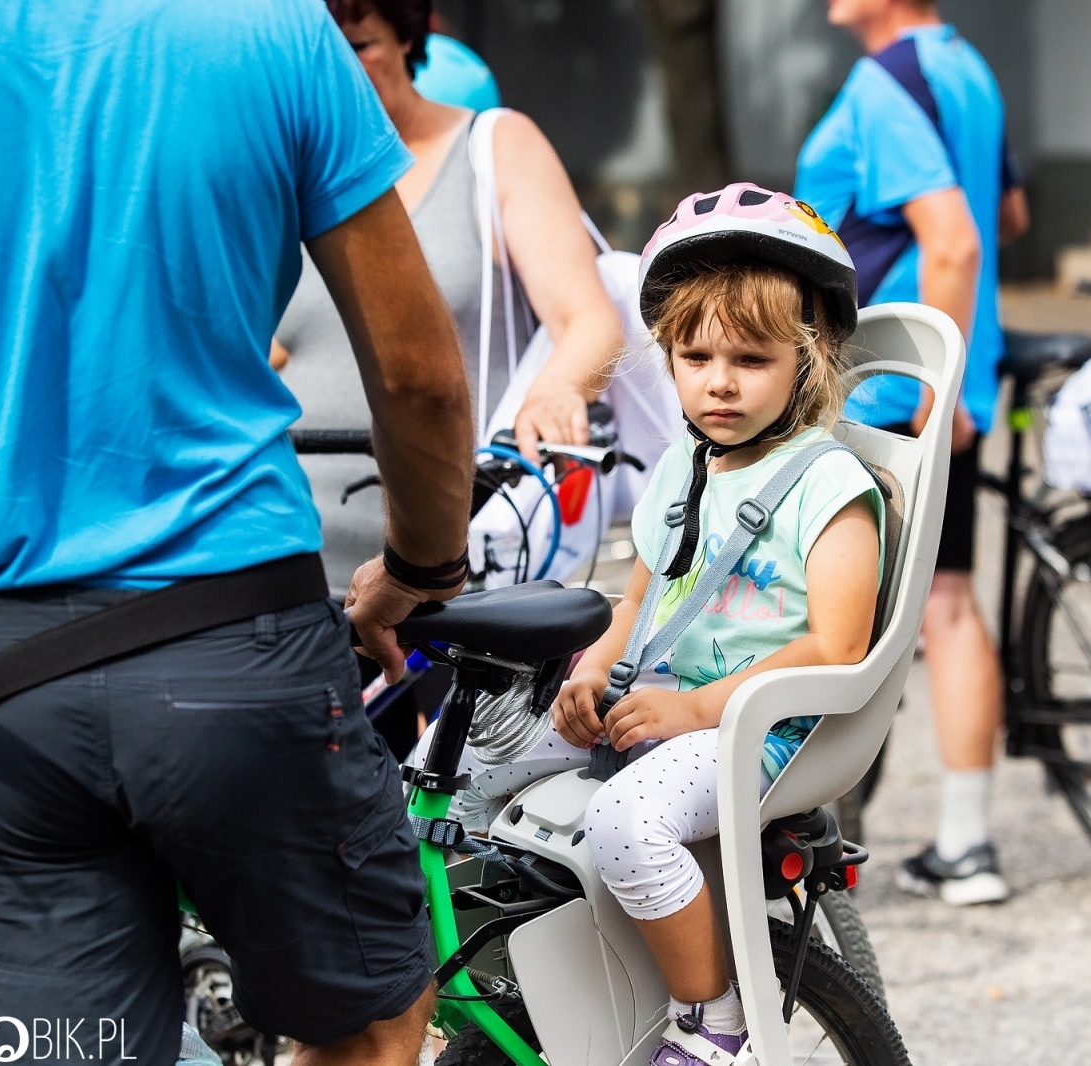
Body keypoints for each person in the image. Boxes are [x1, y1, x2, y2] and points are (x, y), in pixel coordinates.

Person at [0, 1, 476, 1063]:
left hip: (0, 684)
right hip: (238, 642)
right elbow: (421, 377)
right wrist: (421, 565)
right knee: (370, 1023)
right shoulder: (275, 29)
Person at [413, 184, 884, 1065]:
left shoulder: (829, 485)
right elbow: (639, 603)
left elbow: (835, 648)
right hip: (664, 700)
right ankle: (499, 968)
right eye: (695, 356)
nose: (718, 382)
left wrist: (694, 710)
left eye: (751, 359)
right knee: (461, 755)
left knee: (626, 820)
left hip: (763, 729)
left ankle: (713, 1020)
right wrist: (593, 672)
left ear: (807, 360)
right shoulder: (682, 465)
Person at [795, 0, 1027, 906]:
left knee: (845, 615)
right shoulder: (965, 65)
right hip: (956, 382)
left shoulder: (887, 79)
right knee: (952, 603)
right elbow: (1008, 212)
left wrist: (935, 386)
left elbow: (958, 238)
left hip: (888, 387)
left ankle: (816, 847)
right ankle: (965, 844)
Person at [274, 0, 623, 596]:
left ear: (407, 38)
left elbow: (588, 319)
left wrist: (557, 391)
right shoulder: (282, 170)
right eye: (321, 55)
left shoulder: (492, 146)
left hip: (456, 563)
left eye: (360, 46)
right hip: (289, 551)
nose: (342, 73)